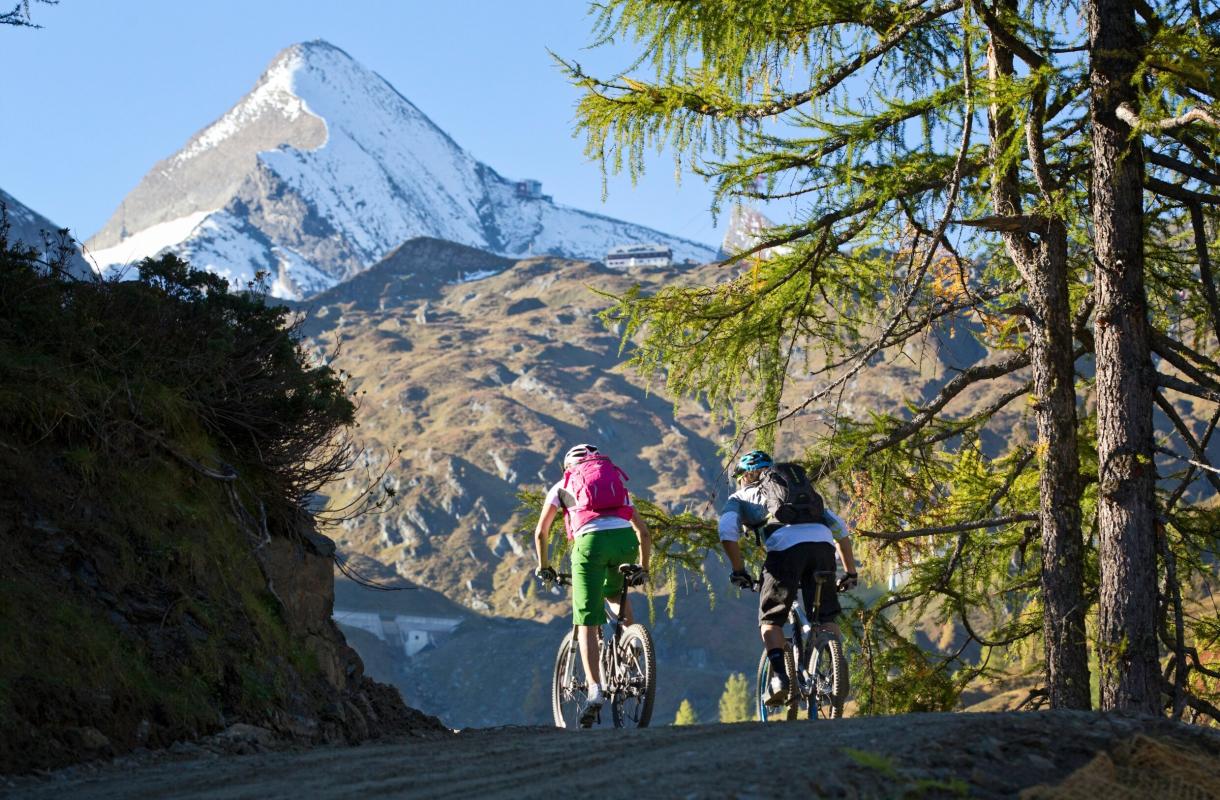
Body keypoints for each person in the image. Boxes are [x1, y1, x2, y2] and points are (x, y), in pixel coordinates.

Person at [718, 449, 858, 707]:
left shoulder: (740, 497)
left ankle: (781, 680)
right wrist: (850, 572)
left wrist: (739, 571)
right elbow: (840, 529)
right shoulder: (799, 495)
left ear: (744, 476)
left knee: (770, 620)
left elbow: (727, 531)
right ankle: (836, 669)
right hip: (822, 545)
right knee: (825, 616)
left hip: (785, 550)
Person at [534, 443, 652, 726]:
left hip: (590, 545)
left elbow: (541, 532)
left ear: (568, 466)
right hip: (625, 543)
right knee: (615, 593)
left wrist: (544, 566)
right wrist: (644, 567)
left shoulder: (562, 485)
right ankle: (629, 646)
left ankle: (595, 691)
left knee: (587, 618)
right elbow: (643, 532)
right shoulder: (616, 485)